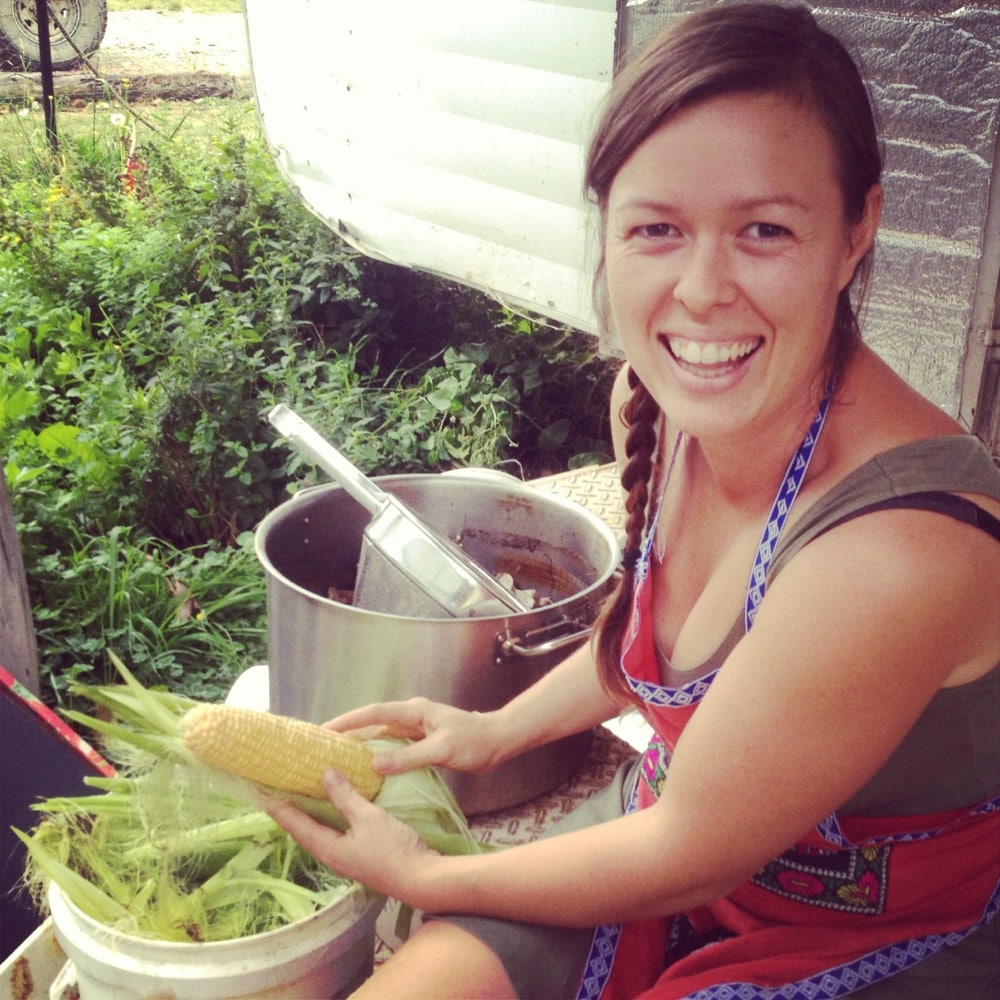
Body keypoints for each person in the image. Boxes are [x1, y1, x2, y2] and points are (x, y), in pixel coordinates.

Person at [268, 3, 1000, 996]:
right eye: (656, 228)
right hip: (670, 832)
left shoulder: (898, 550)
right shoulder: (655, 407)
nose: (701, 289)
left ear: (853, 230)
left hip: (870, 929)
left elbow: (694, 849)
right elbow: (644, 633)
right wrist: (494, 731)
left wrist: (430, 873)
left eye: (764, 229)